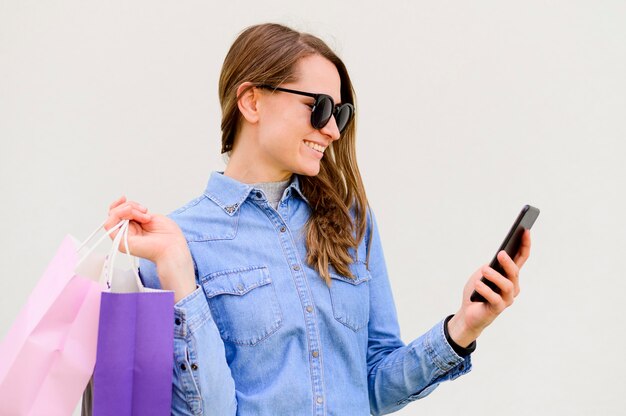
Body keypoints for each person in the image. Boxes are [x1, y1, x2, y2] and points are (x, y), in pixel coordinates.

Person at [104, 23, 531, 415]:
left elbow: (374, 386)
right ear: (251, 101)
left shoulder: (351, 221)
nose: (333, 130)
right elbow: (210, 409)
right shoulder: (177, 243)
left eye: (341, 114)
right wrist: (177, 271)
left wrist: (462, 328)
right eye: (319, 107)